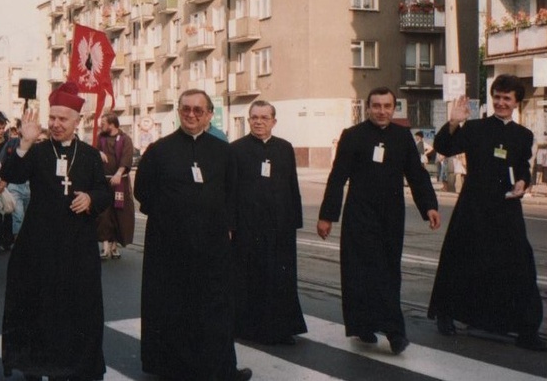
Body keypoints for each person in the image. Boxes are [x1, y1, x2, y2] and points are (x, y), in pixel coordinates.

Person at [134, 89, 252, 381]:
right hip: (168, 245)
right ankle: (172, 369)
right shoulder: (159, 150)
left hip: (212, 245)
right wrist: (172, 216)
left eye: (198, 110)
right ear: (178, 111)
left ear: (209, 115)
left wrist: (227, 228)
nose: (191, 115)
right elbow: (142, 192)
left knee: (214, 308)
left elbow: (233, 194)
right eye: (186, 109)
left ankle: (221, 369)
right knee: (172, 306)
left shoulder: (224, 152)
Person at [0, 81, 111, 381]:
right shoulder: (37, 152)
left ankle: (75, 367)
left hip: (78, 246)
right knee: (39, 308)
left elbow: (104, 192)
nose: (56, 124)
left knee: (77, 309)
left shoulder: (88, 155)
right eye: (52, 118)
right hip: (39, 245)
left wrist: (90, 199)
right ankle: (37, 367)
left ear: (78, 122)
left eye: (63, 119)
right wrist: (23, 143)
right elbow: (11, 175)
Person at [317, 86, 441, 355]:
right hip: (359, 215)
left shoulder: (402, 136)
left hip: (391, 216)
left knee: (388, 273)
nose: (382, 111)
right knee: (358, 273)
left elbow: (416, 174)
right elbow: (338, 177)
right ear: (368, 107)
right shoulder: (353, 136)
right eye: (376, 106)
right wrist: (327, 216)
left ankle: (395, 333)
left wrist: (429, 206)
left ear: (394, 108)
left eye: (387, 106)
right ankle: (363, 325)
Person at [428, 75, 545, 351]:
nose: (501, 103)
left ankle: (528, 330)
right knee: (460, 259)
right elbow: (444, 147)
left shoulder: (523, 135)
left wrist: (523, 183)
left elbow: (522, 168)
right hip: (473, 207)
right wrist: (455, 122)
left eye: (507, 98)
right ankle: (446, 315)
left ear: (517, 103)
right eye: (498, 97)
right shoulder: (476, 128)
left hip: (506, 208)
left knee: (520, 265)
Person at [231, 100, 307, 345]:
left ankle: (282, 328)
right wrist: (231, 225)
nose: (259, 122)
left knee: (281, 278)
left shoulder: (285, 148)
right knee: (249, 278)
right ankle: (249, 329)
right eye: (254, 117)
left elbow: (292, 185)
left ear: (274, 121)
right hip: (248, 227)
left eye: (264, 117)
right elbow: (229, 191)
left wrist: (295, 219)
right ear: (249, 120)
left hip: (280, 227)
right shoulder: (236, 150)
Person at [96, 112, 135, 259]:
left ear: (112, 124)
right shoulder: (101, 138)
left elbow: (127, 157)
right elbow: (94, 152)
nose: (101, 126)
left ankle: (115, 245)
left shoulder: (125, 139)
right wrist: (98, 153)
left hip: (120, 182)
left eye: (103, 123)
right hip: (104, 181)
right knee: (104, 213)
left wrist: (119, 174)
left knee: (120, 213)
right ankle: (105, 246)